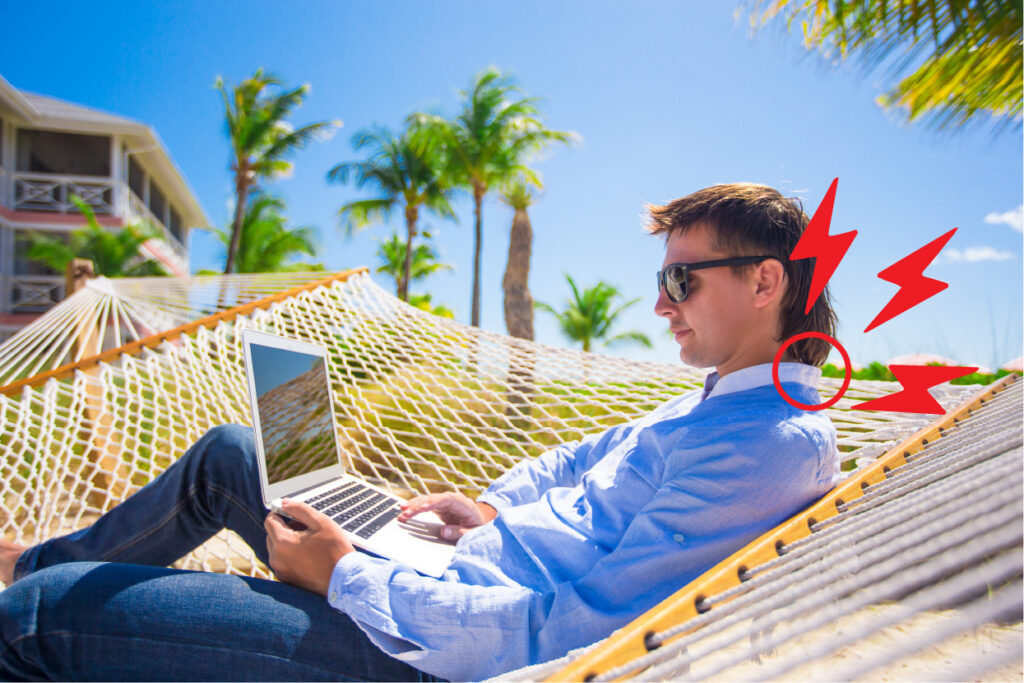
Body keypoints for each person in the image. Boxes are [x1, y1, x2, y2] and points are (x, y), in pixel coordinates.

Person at [0, 183, 840, 681]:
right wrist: (486, 507)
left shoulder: (768, 444)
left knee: (33, 619)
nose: (661, 304)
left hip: (423, 651)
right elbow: (577, 460)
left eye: (681, 280)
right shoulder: (720, 400)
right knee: (231, 452)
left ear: (765, 281)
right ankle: (29, 559)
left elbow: (574, 633)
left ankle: (28, 581)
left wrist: (344, 578)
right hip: (447, 570)